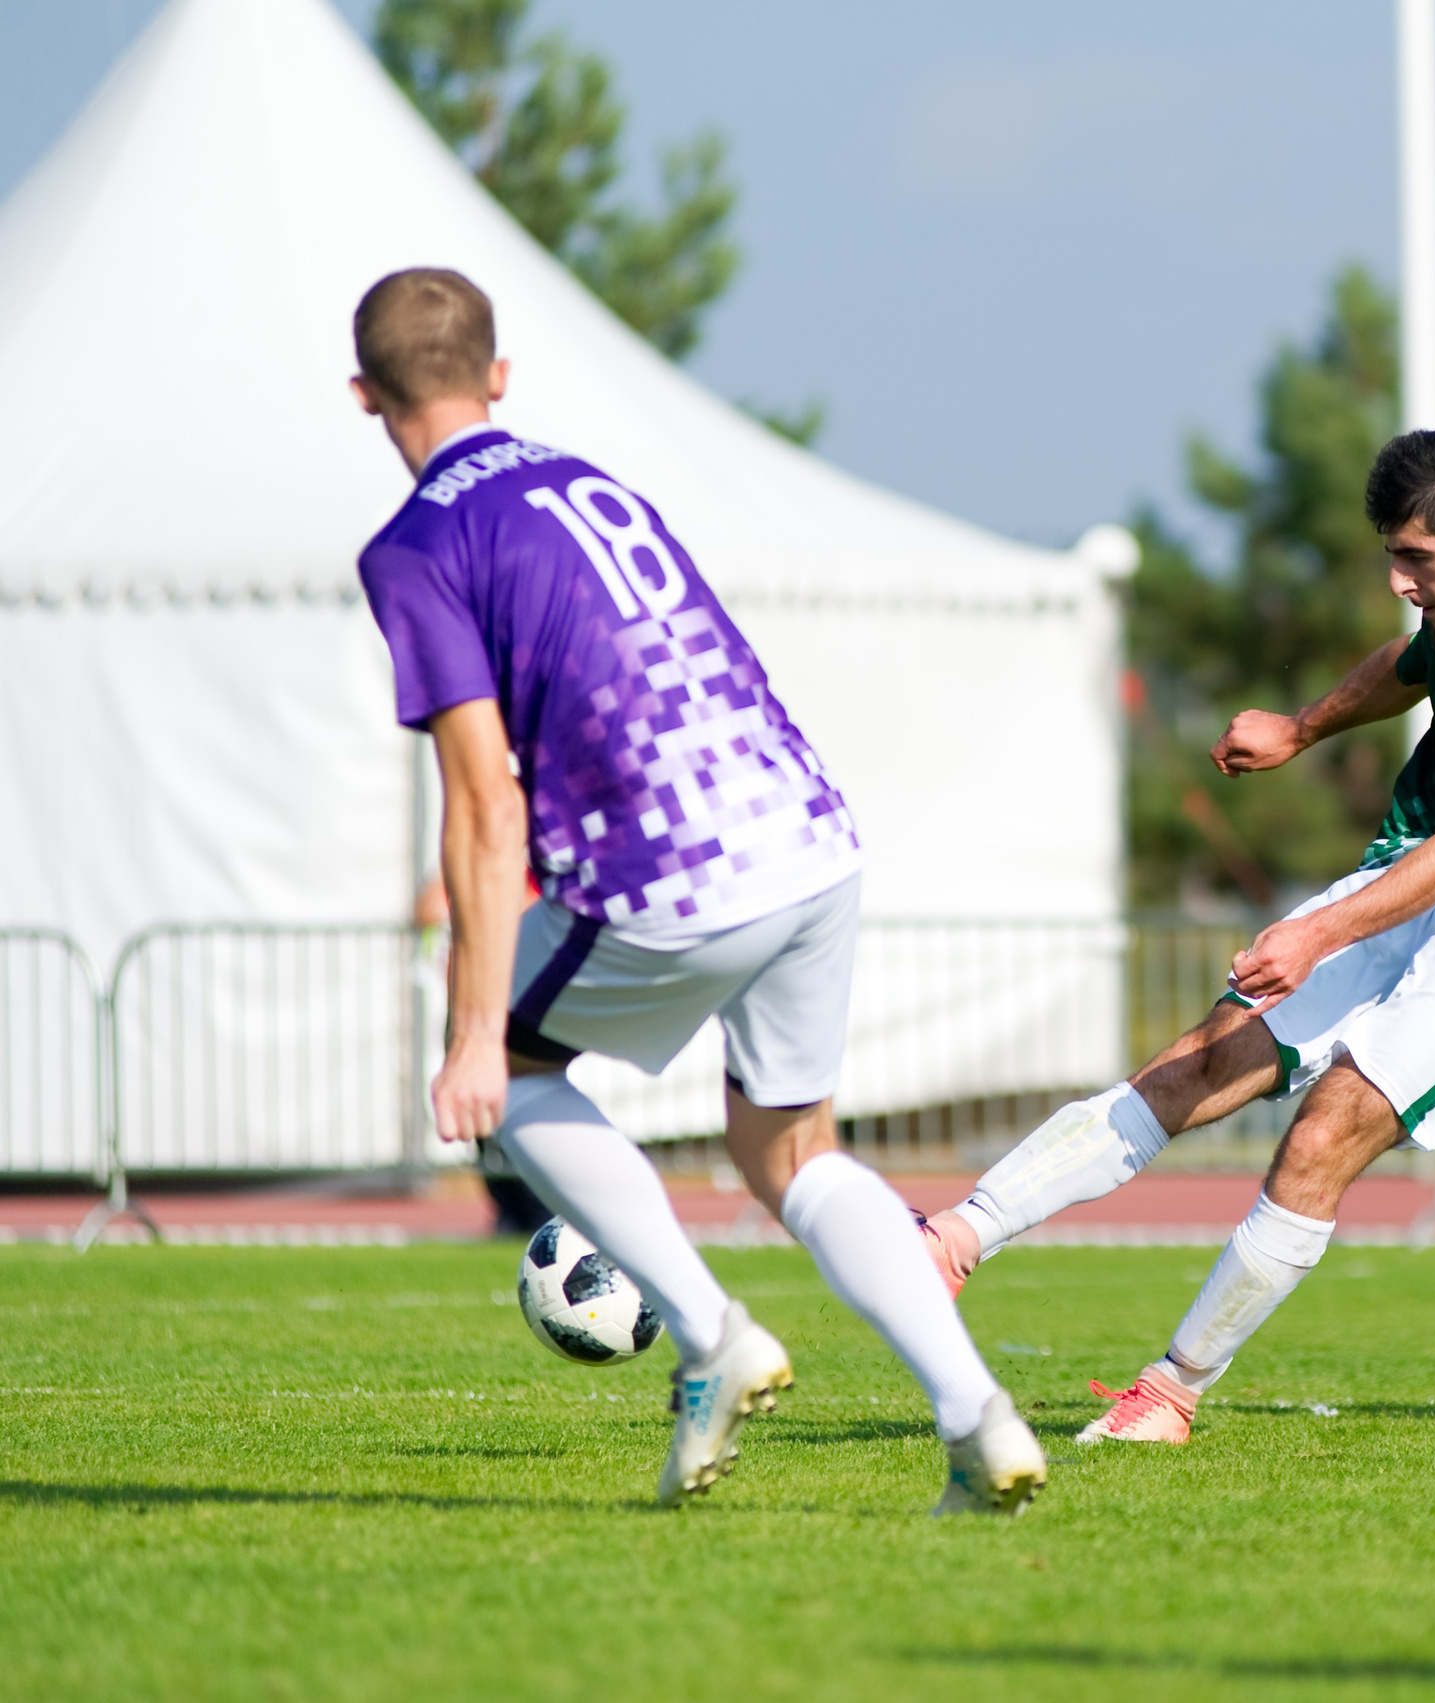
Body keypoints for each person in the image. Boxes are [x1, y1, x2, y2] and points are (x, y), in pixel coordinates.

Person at [348, 268, 1043, 1512]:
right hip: (810, 833)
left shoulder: (417, 545)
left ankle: (711, 1335)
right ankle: (976, 1412)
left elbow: (482, 801)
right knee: (790, 1149)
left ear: (365, 396)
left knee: (513, 1068)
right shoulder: (594, 480)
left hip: (670, 865)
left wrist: (467, 1035)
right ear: (498, 376)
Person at [913, 429, 1435, 1444]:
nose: (1400, 582)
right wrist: (1303, 725)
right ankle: (953, 1239)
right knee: (1198, 1058)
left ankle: (1172, 1390)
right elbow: (1406, 668)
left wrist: (1317, 931)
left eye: (1418, 560)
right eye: (1392, 556)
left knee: (1329, 1124)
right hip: (1430, 858)